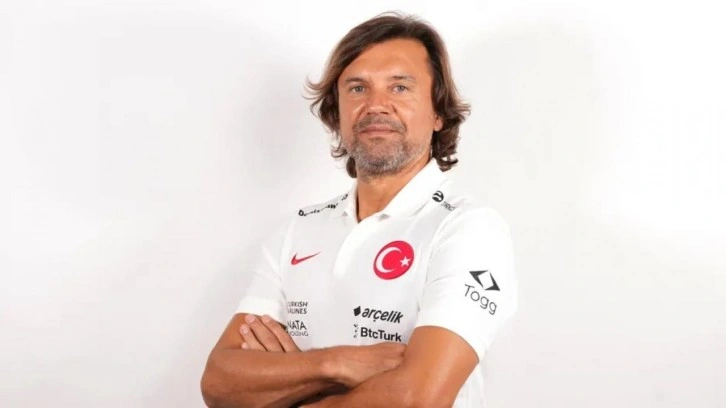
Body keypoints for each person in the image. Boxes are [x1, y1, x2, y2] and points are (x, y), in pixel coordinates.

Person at [201, 12, 517, 408]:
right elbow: (219, 383)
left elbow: (417, 398)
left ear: (438, 112)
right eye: (357, 88)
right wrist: (337, 364)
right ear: (337, 113)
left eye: (400, 87)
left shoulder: (467, 229)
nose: (376, 105)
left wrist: (285, 383)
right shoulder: (297, 231)